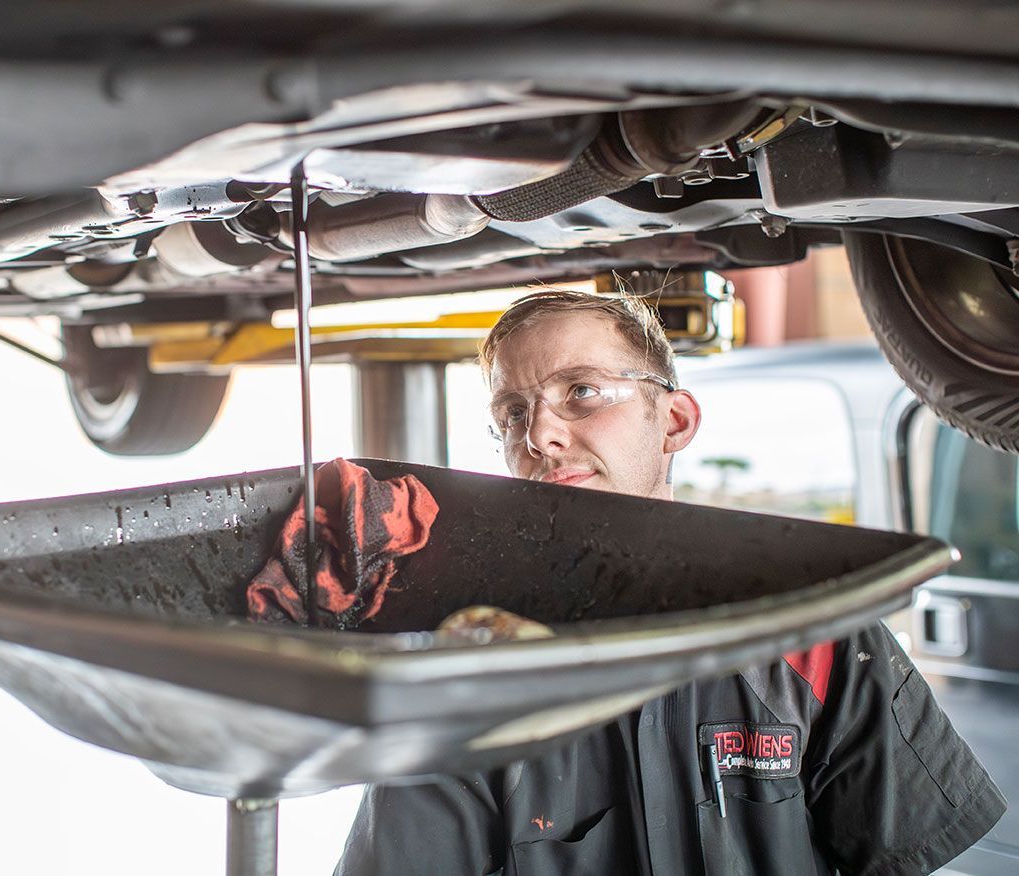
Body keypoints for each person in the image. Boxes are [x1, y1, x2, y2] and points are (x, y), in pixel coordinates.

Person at [334, 287, 1006, 875]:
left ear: (674, 421)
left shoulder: (816, 626)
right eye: (512, 412)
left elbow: (900, 854)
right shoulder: (467, 672)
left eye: (581, 392)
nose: (539, 433)